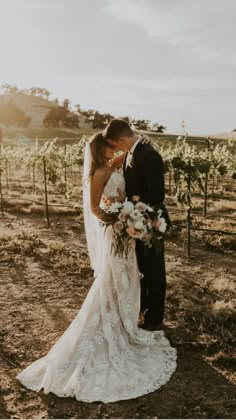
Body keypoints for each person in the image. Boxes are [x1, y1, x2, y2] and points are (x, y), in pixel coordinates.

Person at [16, 132, 176, 403]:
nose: (115, 149)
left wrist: (144, 138)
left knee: (128, 277)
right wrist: (117, 220)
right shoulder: (100, 173)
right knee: (115, 277)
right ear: (103, 149)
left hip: (126, 229)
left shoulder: (113, 164)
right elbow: (94, 208)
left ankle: (126, 321)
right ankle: (117, 321)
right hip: (117, 231)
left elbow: (130, 150)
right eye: (111, 147)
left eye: (116, 146)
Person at [104, 119, 171, 330]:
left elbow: (157, 193)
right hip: (137, 219)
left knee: (154, 272)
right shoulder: (133, 151)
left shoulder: (148, 154)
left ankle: (155, 320)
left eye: (116, 145)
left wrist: (128, 203)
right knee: (142, 269)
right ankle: (144, 311)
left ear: (123, 139)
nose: (116, 150)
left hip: (151, 221)